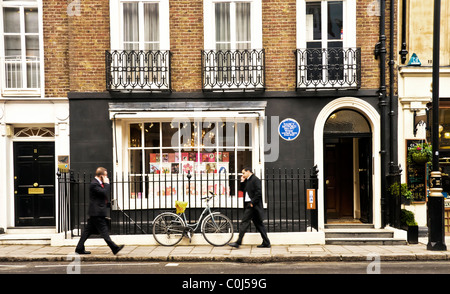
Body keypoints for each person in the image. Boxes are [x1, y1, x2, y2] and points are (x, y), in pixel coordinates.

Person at [75, 167, 124, 255]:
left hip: (96, 212)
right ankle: (114, 248)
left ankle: (79, 248)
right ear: (101, 176)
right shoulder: (94, 184)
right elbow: (104, 192)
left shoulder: (97, 183)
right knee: (104, 232)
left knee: (87, 232)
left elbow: (101, 197)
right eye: (105, 175)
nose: (107, 177)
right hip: (97, 213)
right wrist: (107, 184)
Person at [229, 167, 271, 248]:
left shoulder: (255, 180)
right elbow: (242, 190)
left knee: (244, 222)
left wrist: (252, 202)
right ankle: (266, 242)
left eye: (244, 173)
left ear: (248, 171)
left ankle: (238, 242)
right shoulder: (247, 180)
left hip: (252, 205)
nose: (243, 174)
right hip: (249, 205)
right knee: (259, 224)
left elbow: (259, 192)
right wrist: (242, 181)